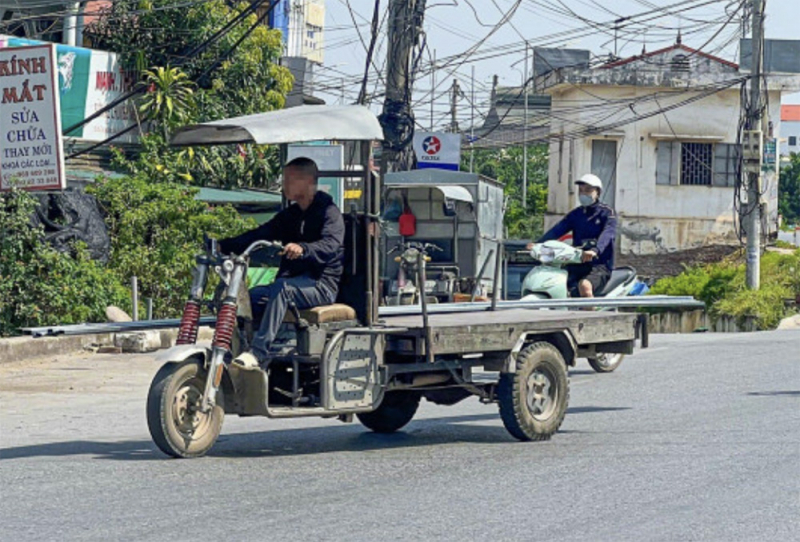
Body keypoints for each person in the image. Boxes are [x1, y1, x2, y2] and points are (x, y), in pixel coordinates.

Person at [217, 157, 344, 369]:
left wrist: (304, 249)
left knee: (282, 288)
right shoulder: (291, 215)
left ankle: (258, 354)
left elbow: (330, 244)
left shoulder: (329, 213)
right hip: (291, 284)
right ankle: (235, 348)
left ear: (308, 181)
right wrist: (225, 245)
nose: (283, 184)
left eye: (289, 179)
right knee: (247, 298)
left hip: (320, 286)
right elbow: (260, 233)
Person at [532, 173, 617, 298]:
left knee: (585, 286)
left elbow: (608, 234)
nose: (583, 194)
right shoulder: (576, 214)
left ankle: (590, 317)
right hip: (576, 263)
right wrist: (538, 244)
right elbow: (557, 230)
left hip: (599, 266)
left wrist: (595, 250)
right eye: (581, 190)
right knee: (554, 283)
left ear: (598, 192)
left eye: (588, 190)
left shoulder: (607, 213)